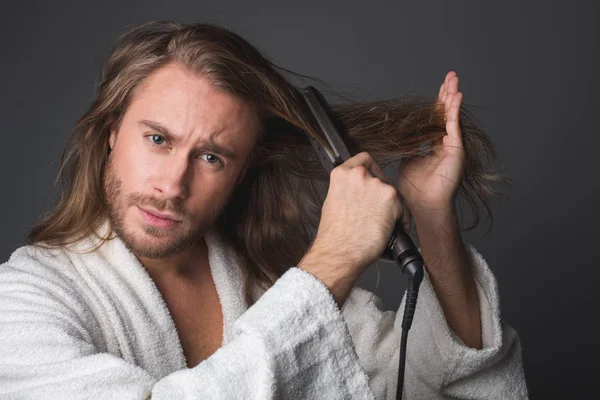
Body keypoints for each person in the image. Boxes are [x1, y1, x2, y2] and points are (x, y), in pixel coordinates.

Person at [0, 20, 528, 399]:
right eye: (158, 139)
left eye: (211, 157)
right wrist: (331, 264)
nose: (173, 185)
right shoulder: (25, 300)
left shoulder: (267, 279)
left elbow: (421, 381)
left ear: (244, 170)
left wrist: (432, 216)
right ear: (112, 131)